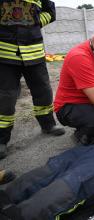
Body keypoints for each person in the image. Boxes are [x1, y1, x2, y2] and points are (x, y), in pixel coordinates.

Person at [0, 0, 65, 159]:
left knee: (43, 91)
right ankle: (1, 139)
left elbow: (50, 12)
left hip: (34, 51)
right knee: (6, 98)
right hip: (5, 53)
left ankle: (48, 125)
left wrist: (34, 22)